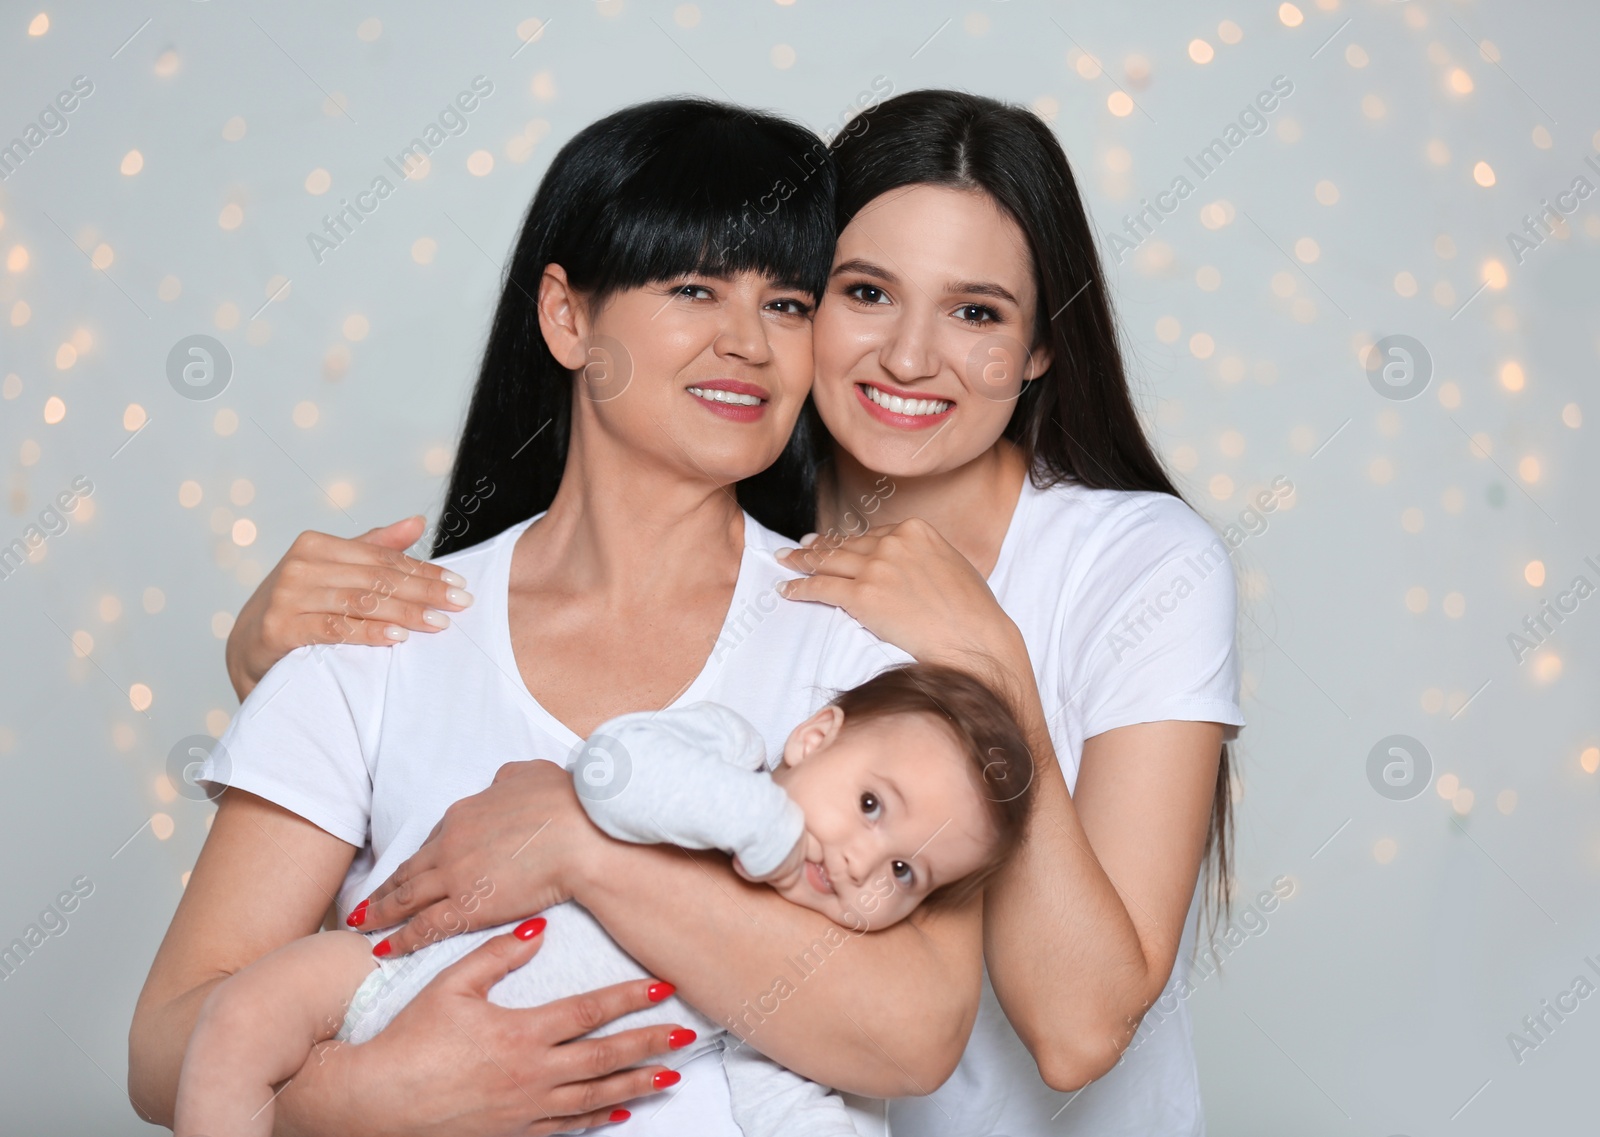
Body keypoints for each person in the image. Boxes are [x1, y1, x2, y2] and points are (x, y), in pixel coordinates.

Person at [212, 90, 1245, 1136]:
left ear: (1040, 349)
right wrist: (271, 671)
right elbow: (213, 1005)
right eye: (861, 292)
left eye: (976, 311)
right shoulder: (761, 531)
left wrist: (993, 659)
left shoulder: (1129, 564)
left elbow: (1064, 1036)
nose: (908, 357)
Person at [130, 97, 995, 1137]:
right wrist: (367, 1099)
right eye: (691, 287)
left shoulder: (864, 648)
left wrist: (588, 849)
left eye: (789, 304)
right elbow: (170, 1037)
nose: (747, 343)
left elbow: (911, 1037)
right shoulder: (384, 637)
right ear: (567, 315)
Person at [173, 665, 1035, 1137]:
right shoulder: (729, 755)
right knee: (239, 1020)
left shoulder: (789, 974)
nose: (858, 860)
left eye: (903, 875)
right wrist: (763, 827)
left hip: (510, 1115)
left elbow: (792, 1099)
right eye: (871, 805)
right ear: (815, 738)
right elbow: (613, 770)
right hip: (384, 973)